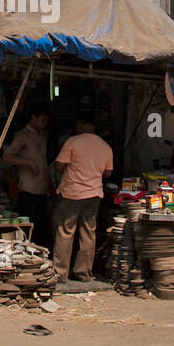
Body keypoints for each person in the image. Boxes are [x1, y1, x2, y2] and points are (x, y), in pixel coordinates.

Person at [51, 118, 113, 283]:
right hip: (93, 194)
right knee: (88, 233)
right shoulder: (105, 147)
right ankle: (83, 272)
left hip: (72, 193)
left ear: (82, 125)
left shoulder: (73, 142)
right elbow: (107, 173)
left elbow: (59, 166)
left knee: (65, 231)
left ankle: (60, 272)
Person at [2, 106, 52, 241]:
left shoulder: (42, 135)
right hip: (28, 188)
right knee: (27, 226)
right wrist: (28, 162)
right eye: (42, 120)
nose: (44, 124)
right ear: (33, 118)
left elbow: (44, 162)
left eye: (46, 121)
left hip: (42, 188)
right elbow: (6, 156)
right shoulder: (23, 135)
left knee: (41, 227)